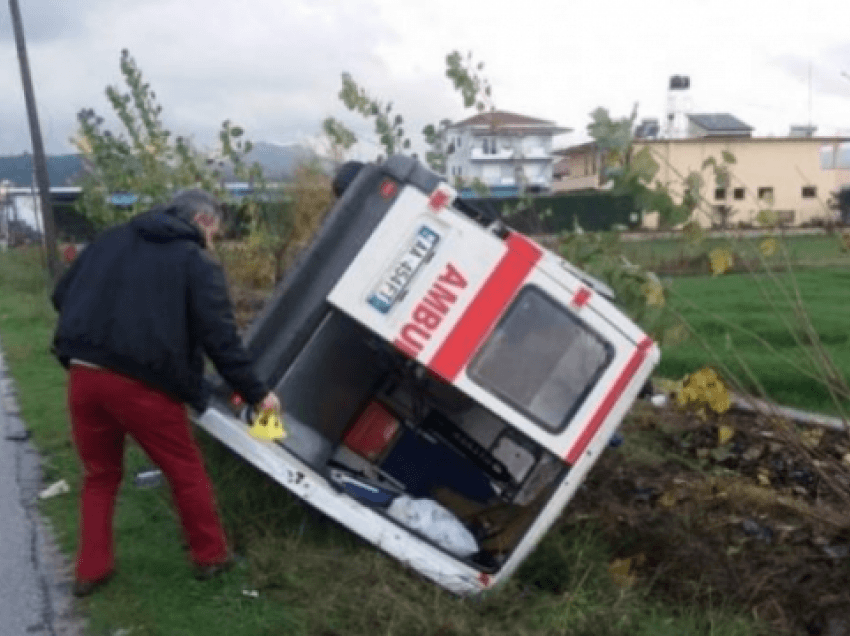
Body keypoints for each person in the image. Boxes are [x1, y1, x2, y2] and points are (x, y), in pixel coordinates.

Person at [51, 189, 280, 597]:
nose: (214, 243)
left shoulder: (111, 238)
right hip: (141, 384)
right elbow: (221, 338)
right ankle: (211, 558)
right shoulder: (195, 260)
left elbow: (60, 295)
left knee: (100, 476)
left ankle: (90, 570)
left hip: (84, 375)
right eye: (216, 234)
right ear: (203, 221)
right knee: (185, 470)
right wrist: (257, 394)